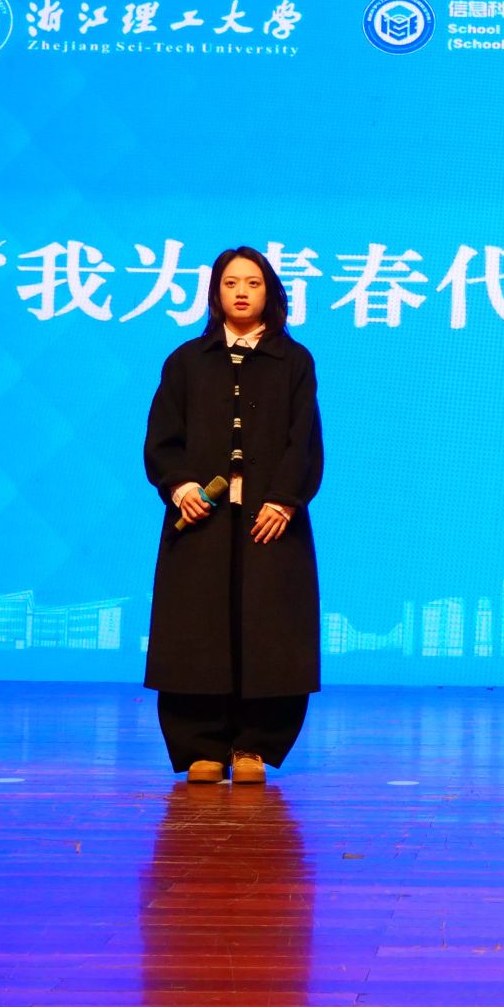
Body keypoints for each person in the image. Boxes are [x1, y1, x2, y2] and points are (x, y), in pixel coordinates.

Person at [143, 246, 323, 784]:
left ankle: (254, 747)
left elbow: (304, 440)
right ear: (215, 293)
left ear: (271, 292)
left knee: (270, 630)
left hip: (271, 518)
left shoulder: (294, 361)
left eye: (253, 282)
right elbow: (162, 438)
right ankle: (202, 745)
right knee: (197, 628)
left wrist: (285, 499)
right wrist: (180, 486)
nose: (241, 292)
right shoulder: (186, 361)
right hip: (201, 518)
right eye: (230, 283)